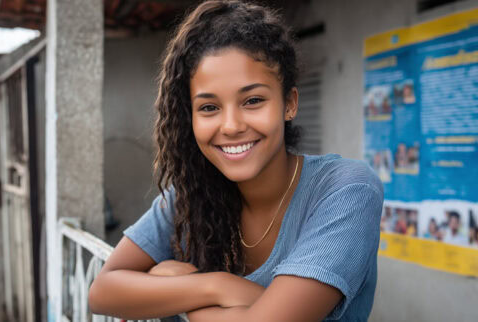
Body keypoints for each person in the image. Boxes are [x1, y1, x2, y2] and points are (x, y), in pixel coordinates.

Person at [89, 1, 384, 321]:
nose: (231, 126)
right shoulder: (188, 196)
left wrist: (176, 295)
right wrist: (215, 286)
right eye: (209, 107)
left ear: (289, 103)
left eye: (253, 100)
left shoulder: (346, 189)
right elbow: (103, 291)